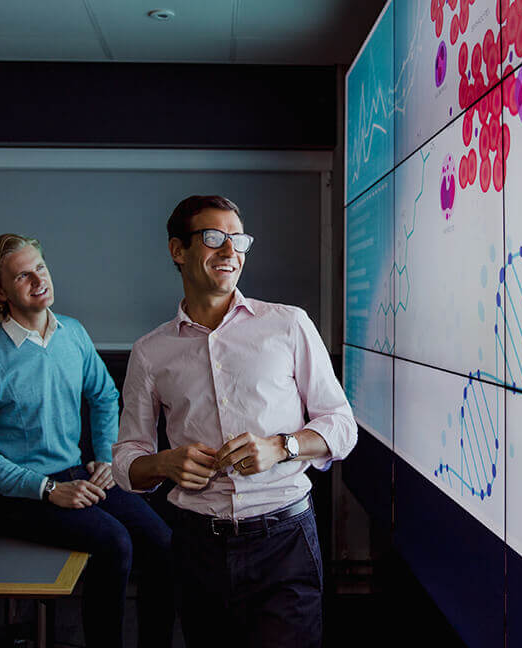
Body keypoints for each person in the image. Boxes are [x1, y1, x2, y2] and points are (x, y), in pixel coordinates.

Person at [113, 195, 356, 648]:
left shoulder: (288, 325)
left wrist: (282, 446)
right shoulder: (150, 351)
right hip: (196, 546)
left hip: (285, 540)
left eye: (238, 239)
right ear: (178, 250)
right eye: (213, 238)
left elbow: (342, 426)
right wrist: (164, 464)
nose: (230, 251)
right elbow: (127, 460)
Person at [0, 234, 174, 648]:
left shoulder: (72, 333)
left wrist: (107, 455)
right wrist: (49, 489)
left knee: (163, 541)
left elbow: (105, 394)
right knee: (114, 542)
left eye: (40, 268)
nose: (38, 280)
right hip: (12, 498)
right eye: (22, 276)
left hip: (75, 474)